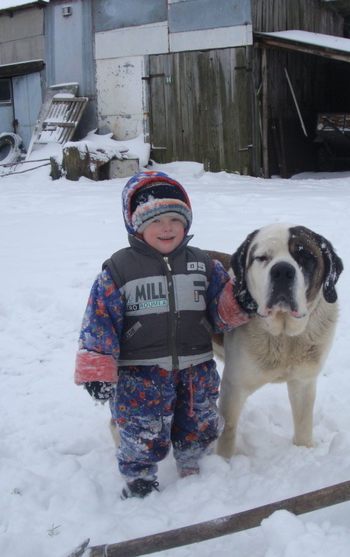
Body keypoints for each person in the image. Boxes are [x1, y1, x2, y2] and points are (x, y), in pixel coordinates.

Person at [74, 171, 251, 499]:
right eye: (156, 221)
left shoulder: (203, 264)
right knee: (141, 429)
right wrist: (96, 372)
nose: (167, 227)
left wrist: (240, 302)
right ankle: (139, 477)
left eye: (175, 219)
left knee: (199, 422)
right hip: (139, 375)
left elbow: (219, 314)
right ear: (136, 226)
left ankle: (195, 469)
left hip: (197, 367)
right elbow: (99, 323)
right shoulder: (119, 270)